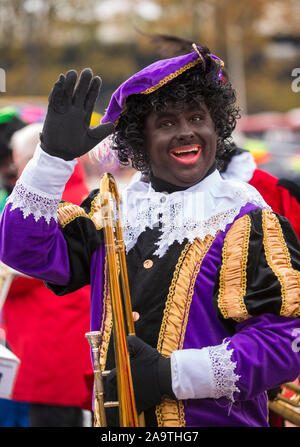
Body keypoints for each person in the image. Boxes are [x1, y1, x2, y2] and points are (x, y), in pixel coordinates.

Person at [0, 44, 300, 428]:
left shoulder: (250, 219)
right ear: (141, 140)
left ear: (217, 126)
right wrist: (52, 158)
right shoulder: (109, 211)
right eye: (167, 123)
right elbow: (23, 250)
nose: (187, 132)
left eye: (197, 117)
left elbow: (284, 339)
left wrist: (170, 375)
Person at [0, 123, 94, 427]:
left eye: (17, 165)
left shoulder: (52, 204)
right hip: (63, 337)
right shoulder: (79, 193)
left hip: (51, 342)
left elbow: (21, 267)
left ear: (32, 161)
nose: (14, 174)